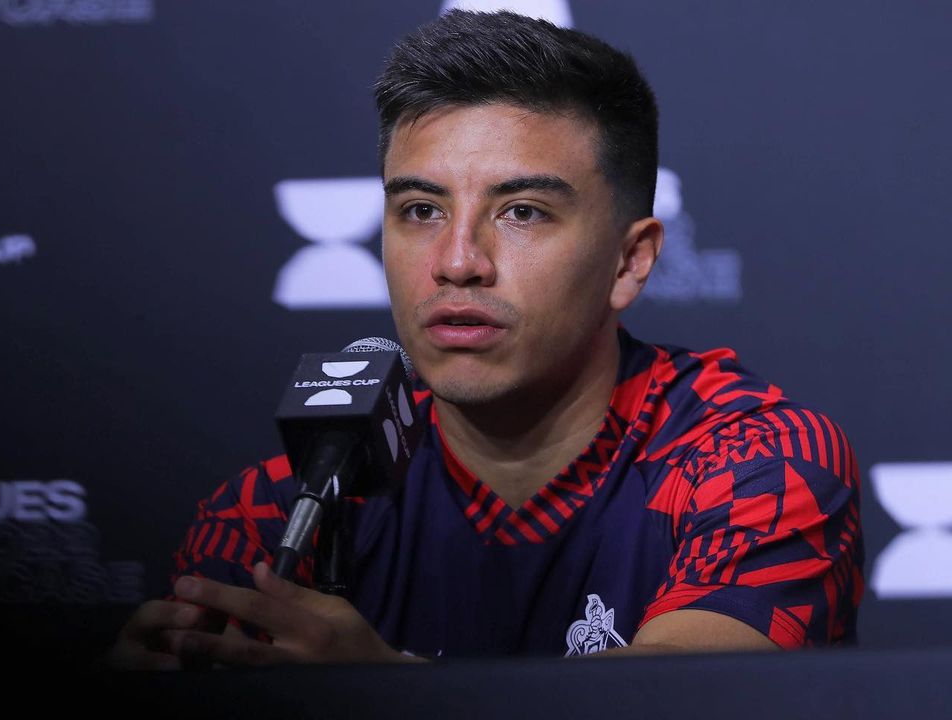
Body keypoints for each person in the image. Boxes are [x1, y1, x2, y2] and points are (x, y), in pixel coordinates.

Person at [106, 10, 863, 669]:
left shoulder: (757, 462)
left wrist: (376, 694)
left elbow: (694, 700)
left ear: (629, 261)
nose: (458, 261)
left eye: (522, 211)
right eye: (421, 210)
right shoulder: (278, 508)